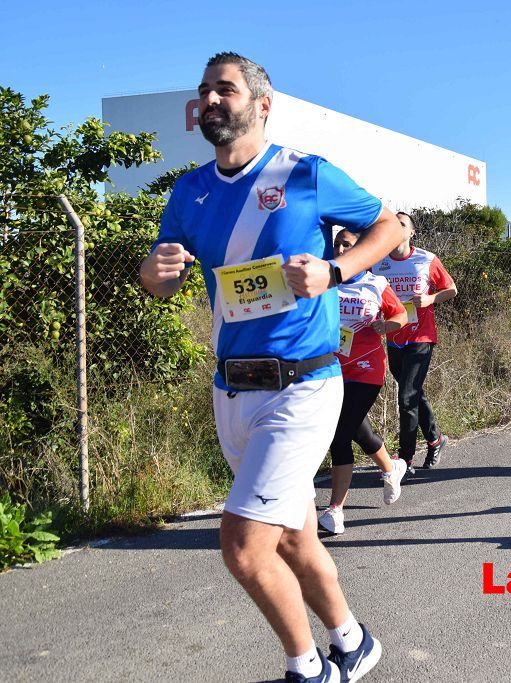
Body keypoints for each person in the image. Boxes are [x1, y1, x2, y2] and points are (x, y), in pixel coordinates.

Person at [139, 53, 404, 683]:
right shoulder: (189, 191)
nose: (210, 100)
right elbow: (162, 278)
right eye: (204, 91)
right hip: (232, 388)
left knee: (243, 546)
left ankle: (306, 666)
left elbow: (390, 226)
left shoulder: (305, 174)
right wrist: (151, 278)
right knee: (292, 538)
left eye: (224, 90)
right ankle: (353, 641)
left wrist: (334, 271)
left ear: (262, 103)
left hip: (303, 385)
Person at [318, 229, 409, 536]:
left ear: (363, 250)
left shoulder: (376, 284)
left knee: (340, 434)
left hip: (366, 369)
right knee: (357, 429)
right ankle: (391, 467)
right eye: (338, 243)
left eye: (348, 244)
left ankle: (335, 510)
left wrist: (387, 324)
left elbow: (401, 316)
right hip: (328, 368)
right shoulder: (324, 279)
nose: (341, 248)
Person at [371, 212, 457, 472]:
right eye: (393, 225)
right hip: (393, 337)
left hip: (420, 336)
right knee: (413, 392)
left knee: (406, 397)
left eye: (402, 225)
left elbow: (451, 289)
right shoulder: (378, 262)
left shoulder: (427, 259)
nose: (397, 229)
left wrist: (431, 299)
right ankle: (435, 439)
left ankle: (404, 459)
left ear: (411, 233)